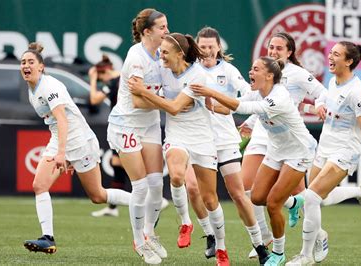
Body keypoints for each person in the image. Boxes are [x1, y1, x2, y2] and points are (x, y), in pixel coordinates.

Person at [191, 56, 318, 266]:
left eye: (256, 69)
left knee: (273, 204)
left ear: (269, 75)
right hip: (277, 150)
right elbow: (231, 108)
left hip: (299, 151)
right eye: (251, 68)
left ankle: (278, 253)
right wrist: (209, 105)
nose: (251, 72)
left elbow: (242, 107)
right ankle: (294, 202)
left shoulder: (279, 97)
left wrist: (210, 92)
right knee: (257, 198)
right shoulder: (257, 92)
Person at [286, 42, 361, 265]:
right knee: (315, 201)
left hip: (345, 150)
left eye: (336, 54)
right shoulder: (332, 80)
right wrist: (319, 104)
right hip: (324, 145)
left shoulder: (357, 92)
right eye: (330, 53)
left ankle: (306, 256)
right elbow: (323, 98)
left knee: (312, 197)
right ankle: (358, 193)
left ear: (349, 61)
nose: (330, 58)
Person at [129, 32, 230, 266]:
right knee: (175, 177)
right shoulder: (160, 67)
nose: (160, 55)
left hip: (202, 136)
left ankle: (222, 248)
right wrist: (147, 94)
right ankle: (185, 221)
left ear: (179, 54)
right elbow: (142, 100)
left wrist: (146, 93)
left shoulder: (197, 76)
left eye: (165, 52)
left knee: (210, 198)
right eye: (160, 51)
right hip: (177, 134)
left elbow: (173, 108)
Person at [20, 42, 131, 254]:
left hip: (79, 140)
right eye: (23, 62)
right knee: (39, 185)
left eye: (31, 62)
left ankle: (145, 203)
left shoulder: (49, 86)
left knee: (97, 196)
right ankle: (48, 238)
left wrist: (64, 154)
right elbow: (56, 125)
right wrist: (62, 152)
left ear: (41, 67)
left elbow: (63, 120)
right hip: (59, 139)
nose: (26, 65)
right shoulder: (31, 90)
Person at [182, 26, 269, 263]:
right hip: (199, 141)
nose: (208, 51)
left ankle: (259, 244)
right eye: (204, 46)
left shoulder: (229, 71)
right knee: (192, 188)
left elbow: (248, 95)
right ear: (197, 47)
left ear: (219, 47)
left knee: (238, 194)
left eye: (212, 46)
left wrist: (225, 105)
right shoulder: (190, 71)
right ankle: (210, 234)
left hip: (225, 140)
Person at [240, 32, 326, 259]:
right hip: (264, 132)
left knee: (301, 197)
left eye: (279, 48)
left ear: (289, 52)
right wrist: (249, 123)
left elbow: (321, 93)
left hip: (290, 139)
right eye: (271, 47)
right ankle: (267, 234)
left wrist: (317, 105)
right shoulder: (263, 72)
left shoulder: (297, 74)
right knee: (248, 187)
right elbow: (254, 102)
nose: (273, 51)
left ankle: (317, 237)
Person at [106, 8, 169, 264]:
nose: (167, 30)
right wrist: (170, 103)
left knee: (156, 185)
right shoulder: (136, 57)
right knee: (140, 186)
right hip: (127, 124)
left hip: (151, 124)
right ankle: (139, 241)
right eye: (162, 27)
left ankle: (150, 232)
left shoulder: (162, 55)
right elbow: (138, 102)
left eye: (166, 26)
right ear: (147, 32)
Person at [88, 55, 169, 217]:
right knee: (116, 163)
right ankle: (113, 208)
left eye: (100, 78)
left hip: (126, 125)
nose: (101, 81)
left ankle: (155, 200)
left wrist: (92, 79)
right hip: (129, 125)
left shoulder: (113, 81)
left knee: (129, 169)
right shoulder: (125, 76)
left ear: (103, 72)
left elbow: (94, 99)